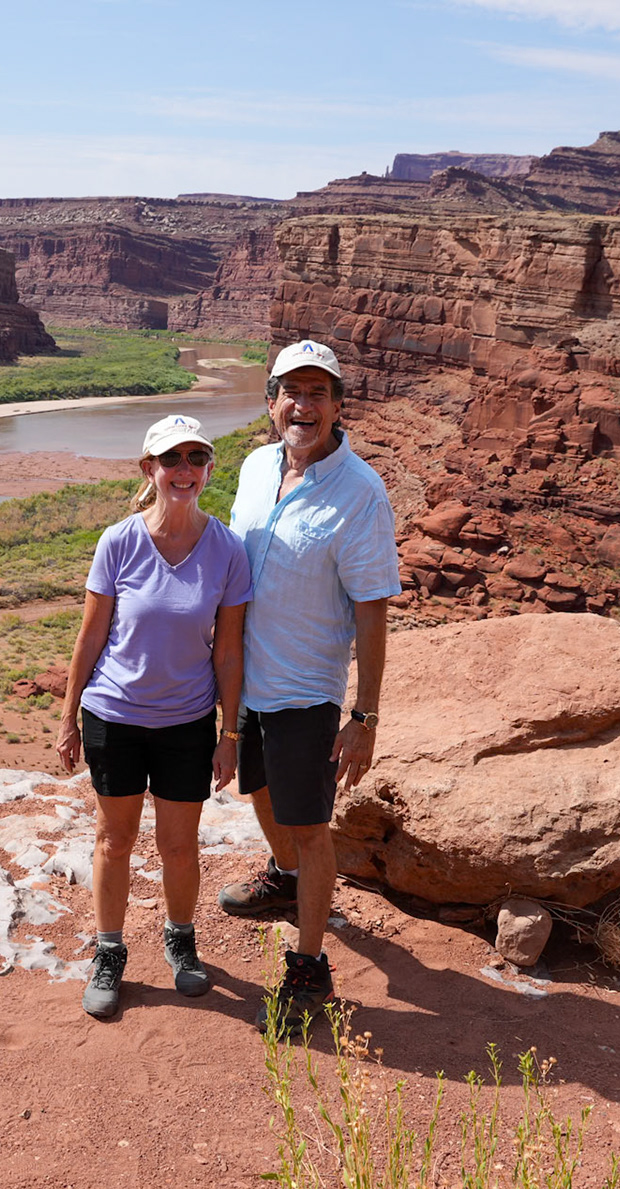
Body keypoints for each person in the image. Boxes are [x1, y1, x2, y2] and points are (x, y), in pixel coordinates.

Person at [218, 339, 401, 1033]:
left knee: (310, 825)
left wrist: (366, 714)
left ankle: (310, 963)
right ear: (271, 403)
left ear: (338, 405)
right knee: (260, 795)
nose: (304, 404)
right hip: (246, 684)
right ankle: (285, 881)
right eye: (292, 391)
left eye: (319, 392)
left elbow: (373, 606)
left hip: (306, 690)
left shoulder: (361, 493)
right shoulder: (256, 467)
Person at [56, 414, 252, 1019]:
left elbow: (228, 650)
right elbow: (90, 639)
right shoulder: (118, 541)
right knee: (114, 841)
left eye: (196, 458)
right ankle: (109, 952)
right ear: (150, 469)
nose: (185, 470)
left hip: (186, 723)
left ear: (208, 469)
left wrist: (230, 732)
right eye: (172, 460)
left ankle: (180, 940)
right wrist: (68, 720)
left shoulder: (227, 550)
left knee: (179, 846)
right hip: (114, 715)